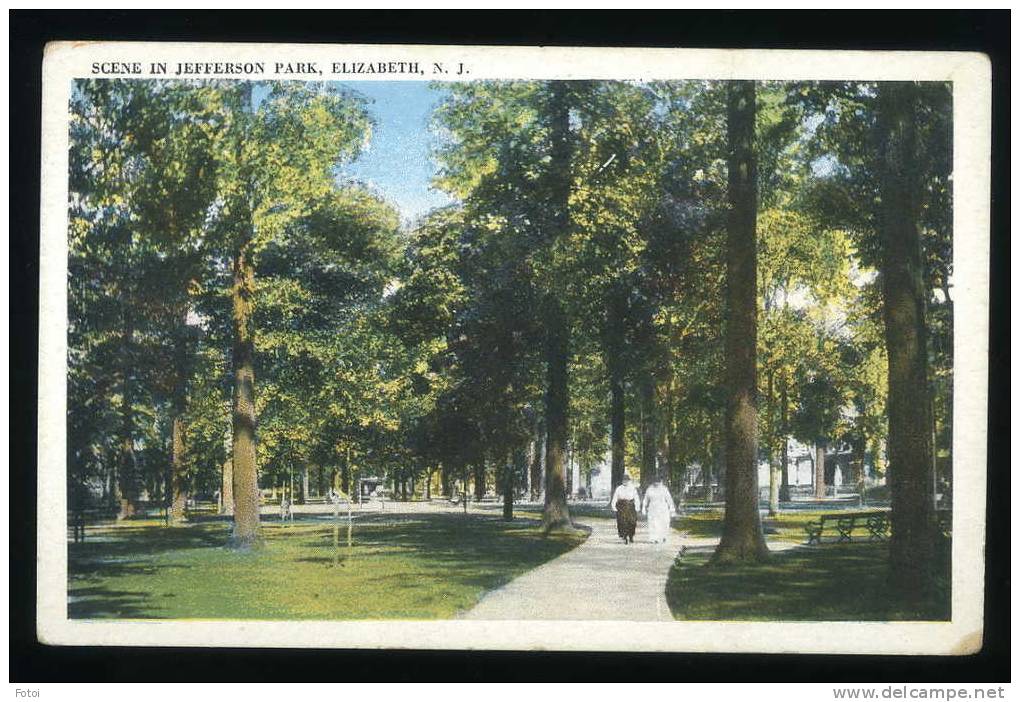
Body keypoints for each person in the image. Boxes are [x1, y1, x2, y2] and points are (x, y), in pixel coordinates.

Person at [642, 476, 677, 544]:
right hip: (653, 508)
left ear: (661, 482)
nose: (657, 484)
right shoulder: (650, 489)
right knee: (653, 523)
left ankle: (663, 536)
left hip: (662, 508)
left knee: (664, 523)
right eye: (655, 483)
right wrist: (644, 507)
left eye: (658, 482)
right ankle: (654, 538)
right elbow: (646, 499)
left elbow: (669, 500)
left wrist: (672, 509)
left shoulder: (664, 489)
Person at [610, 474, 640, 544]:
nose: (625, 481)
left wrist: (637, 506)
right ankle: (624, 536)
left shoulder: (632, 488)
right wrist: (613, 506)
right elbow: (615, 498)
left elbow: (636, 498)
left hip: (630, 506)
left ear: (629, 481)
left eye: (626, 480)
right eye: (624, 480)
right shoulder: (619, 488)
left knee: (632, 522)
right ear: (622, 481)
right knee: (622, 522)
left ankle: (631, 535)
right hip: (621, 506)